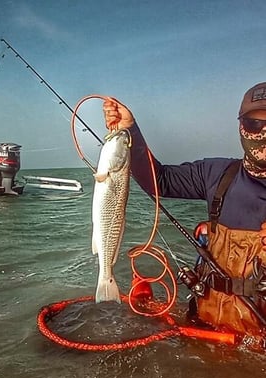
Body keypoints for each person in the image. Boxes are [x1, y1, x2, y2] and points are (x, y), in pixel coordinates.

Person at [103, 83, 266, 338]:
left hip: (256, 345)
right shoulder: (217, 175)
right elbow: (160, 180)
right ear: (241, 126)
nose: (262, 132)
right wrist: (130, 131)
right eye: (254, 124)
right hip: (204, 327)